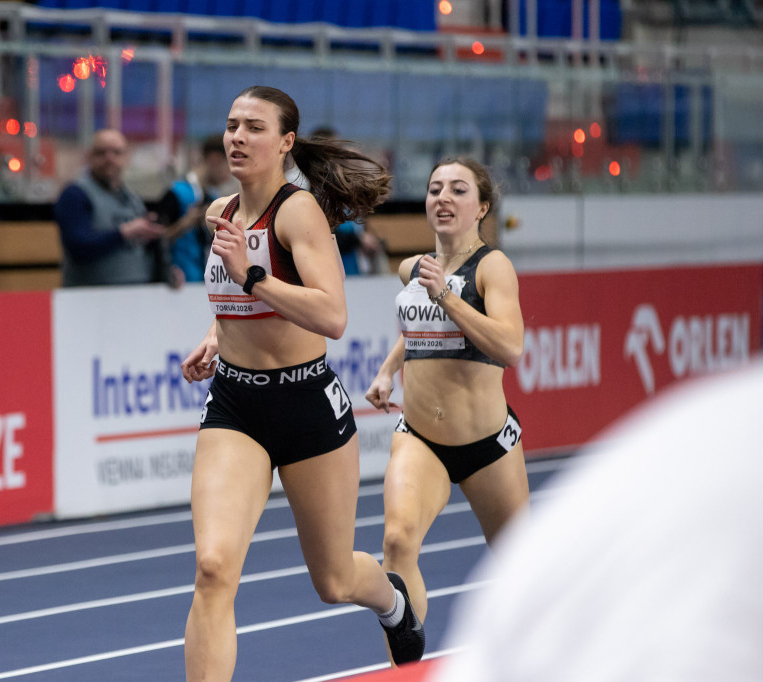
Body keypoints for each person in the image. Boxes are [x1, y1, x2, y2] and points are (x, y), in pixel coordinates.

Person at [179, 85, 425, 681]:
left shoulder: (298, 212)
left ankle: (392, 602)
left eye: (253, 127)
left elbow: (331, 316)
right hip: (235, 403)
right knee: (213, 569)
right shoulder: (220, 213)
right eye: (232, 125)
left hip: (306, 405)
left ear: (285, 142)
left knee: (335, 579)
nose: (237, 137)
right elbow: (235, 294)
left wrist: (253, 276)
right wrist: (218, 333)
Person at [434, 360, 763, 682]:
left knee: (511, 547)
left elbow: (510, 348)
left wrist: (450, 303)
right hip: (433, 426)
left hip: (492, 434)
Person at [365, 157, 529, 657]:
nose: (443, 197)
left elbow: (510, 348)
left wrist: (449, 298)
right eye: (435, 188)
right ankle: (405, 667)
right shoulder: (413, 267)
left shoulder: (493, 266)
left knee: (521, 564)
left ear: (481, 207)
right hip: (419, 437)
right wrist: (389, 369)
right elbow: (420, 332)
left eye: (458, 190)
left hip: (487, 446)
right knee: (397, 542)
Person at [54, 128, 167, 286]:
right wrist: (124, 232)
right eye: (101, 153)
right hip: (92, 295)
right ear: (89, 157)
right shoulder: (76, 194)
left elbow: (143, 249)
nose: (109, 159)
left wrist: (166, 273)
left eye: (117, 153)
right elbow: (78, 246)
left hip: (137, 291)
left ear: (126, 158)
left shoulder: (131, 197)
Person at [156, 134, 235, 285]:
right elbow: (156, 240)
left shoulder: (213, 198)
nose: (231, 174)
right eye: (231, 164)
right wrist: (185, 223)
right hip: (177, 283)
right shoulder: (176, 193)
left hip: (204, 282)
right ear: (215, 159)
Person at [308, 127, 386, 276]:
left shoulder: (351, 198)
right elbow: (322, 238)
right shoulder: (315, 195)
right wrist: (358, 239)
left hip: (357, 272)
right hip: (336, 274)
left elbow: (359, 230)